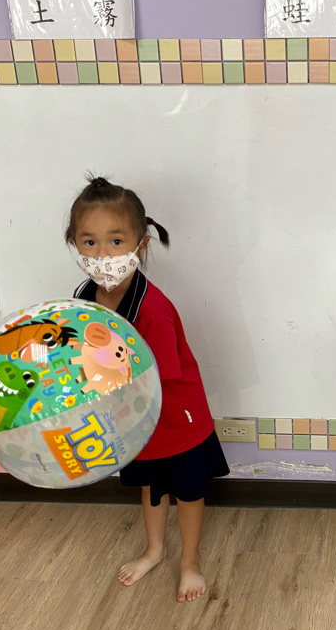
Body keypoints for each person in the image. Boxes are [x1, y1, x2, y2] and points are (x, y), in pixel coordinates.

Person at [67, 176, 228, 602]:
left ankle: (190, 561)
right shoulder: (83, 298)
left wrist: (93, 393)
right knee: (151, 488)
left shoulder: (153, 310)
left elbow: (151, 380)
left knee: (188, 493)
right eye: (89, 242)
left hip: (175, 418)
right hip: (132, 421)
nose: (103, 255)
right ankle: (155, 550)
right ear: (74, 244)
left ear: (141, 245)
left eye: (116, 241)